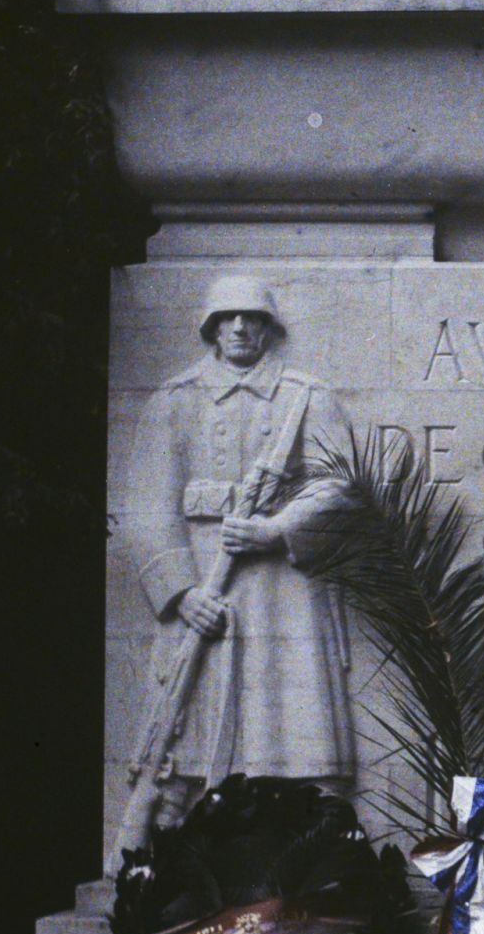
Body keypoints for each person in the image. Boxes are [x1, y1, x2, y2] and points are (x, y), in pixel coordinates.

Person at [110, 274, 356, 869]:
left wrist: (277, 531)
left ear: (269, 325)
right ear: (211, 328)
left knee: (296, 730)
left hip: (284, 589)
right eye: (228, 317)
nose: (240, 327)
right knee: (181, 734)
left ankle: (315, 846)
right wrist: (180, 592)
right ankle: (161, 851)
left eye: (251, 316)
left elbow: (341, 486)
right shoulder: (176, 399)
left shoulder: (306, 395)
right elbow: (144, 507)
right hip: (203, 583)